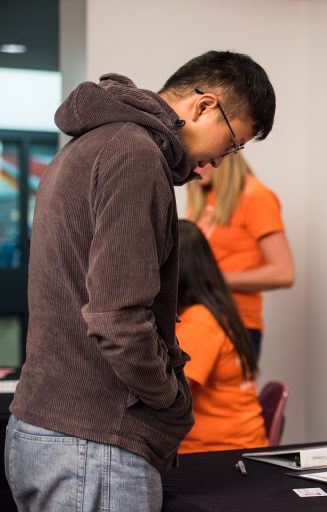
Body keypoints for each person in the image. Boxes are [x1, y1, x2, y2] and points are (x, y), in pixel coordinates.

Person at [5, 50, 276, 512]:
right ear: (205, 106)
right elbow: (118, 318)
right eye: (232, 144)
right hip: (95, 443)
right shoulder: (135, 155)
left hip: (54, 433)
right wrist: (169, 402)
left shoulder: (94, 144)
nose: (221, 161)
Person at [187, 153, 294, 362]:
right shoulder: (202, 194)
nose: (196, 166)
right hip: (201, 321)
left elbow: (284, 273)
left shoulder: (256, 196)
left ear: (223, 152)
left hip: (238, 325)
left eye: (202, 158)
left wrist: (215, 279)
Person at [176, 220, 268, 453]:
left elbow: (169, 399)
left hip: (216, 455)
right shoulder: (219, 310)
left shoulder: (199, 322)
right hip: (241, 449)